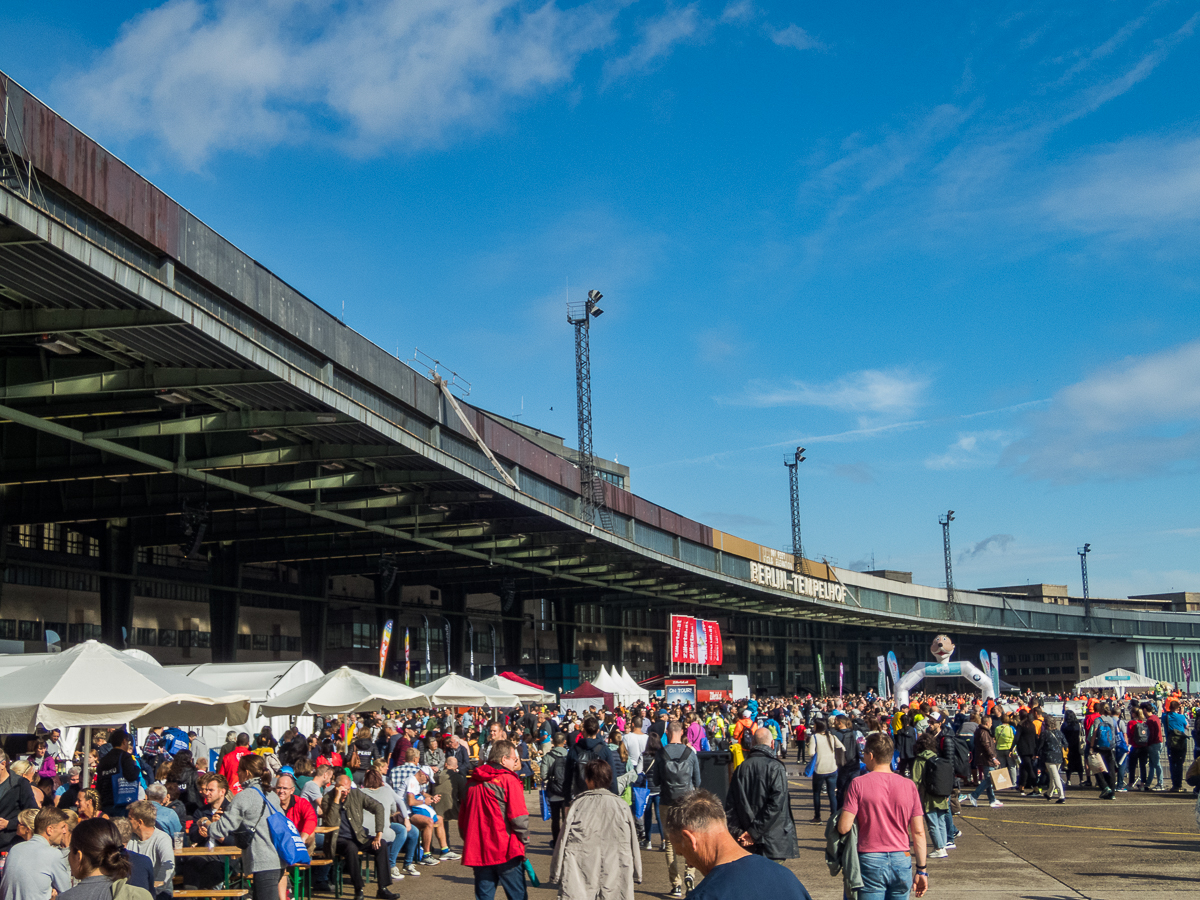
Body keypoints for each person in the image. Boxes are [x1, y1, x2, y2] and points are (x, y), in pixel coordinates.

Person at [663, 790, 812, 900]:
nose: (689, 864)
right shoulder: (786, 878)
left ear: (690, 839)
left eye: (682, 854)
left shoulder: (705, 895)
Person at [837, 733, 928, 900]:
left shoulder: (858, 784)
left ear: (871, 755)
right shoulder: (909, 785)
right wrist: (922, 869)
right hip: (902, 859)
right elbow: (919, 832)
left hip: (870, 859)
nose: (863, 757)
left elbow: (844, 827)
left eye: (864, 753)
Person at [549, 759, 641, 900]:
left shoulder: (577, 805)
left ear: (588, 780)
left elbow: (562, 840)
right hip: (616, 869)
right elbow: (633, 841)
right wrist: (637, 872)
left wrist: (555, 873)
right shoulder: (622, 806)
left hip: (580, 871)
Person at [459, 740, 529, 900]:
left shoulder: (471, 783)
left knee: (484, 896)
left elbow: (463, 821)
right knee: (517, 896)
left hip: (480, 850)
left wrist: (471, 841)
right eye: (514, 759)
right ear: (504, 759)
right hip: (506, 850)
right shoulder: (508, 780)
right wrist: (524, 842)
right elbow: (519, 818)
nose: (515, 763)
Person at [209, 755, 285, 900]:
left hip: (263, 862)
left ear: (247, 773)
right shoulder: (272, 795)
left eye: (239, 771)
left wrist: (205, 824)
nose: (237, 774)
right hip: (277, 859)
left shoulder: (244, 797)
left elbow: (220, 829)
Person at [724, 728, 797, 860]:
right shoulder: (775, 767)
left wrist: (741, 833)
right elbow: (776, 803)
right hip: (773, 839)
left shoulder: (741, 768)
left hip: (747, 840)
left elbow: (731, 806)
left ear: (752, 744)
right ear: (772, 744)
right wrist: (753, 832)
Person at [319, 774, 396, 900]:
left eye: (348, 789)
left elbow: (379, 807)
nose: (346, 792)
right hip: (338, 840)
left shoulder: (356, 794)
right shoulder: (327, 798)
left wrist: (378, 834)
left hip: (359, 836)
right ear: (336, 787)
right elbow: (331, 822)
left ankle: (383, 889)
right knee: (351, 847)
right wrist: (337, 799)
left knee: (381, 845)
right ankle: (358, 889)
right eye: (343, 790)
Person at [657, 721, 702, 899]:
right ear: (682, 732)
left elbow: (656, 781)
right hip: (687, 802)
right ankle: (689, 873)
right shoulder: (690, 753)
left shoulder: (661, 753)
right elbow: (697, 781)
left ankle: (675, 885)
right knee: (690, 840)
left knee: (669, 843)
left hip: (667, 801)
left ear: (667, 732)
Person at [0, 806, 73, 900]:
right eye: (62, 827)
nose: (64, 831)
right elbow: (67, 893)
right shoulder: (53, 854)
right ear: (49, 830)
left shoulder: (15, 849)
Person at [126, 801, 174, 900]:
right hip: (135, 892)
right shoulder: (129, 839)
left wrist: (153, 890)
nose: (127, 821)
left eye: (130, 818)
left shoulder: (162, 838)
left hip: (159, 892)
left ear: (139, 822)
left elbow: (168, 866)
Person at [564, 717, 617, 802]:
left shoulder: (574, 750)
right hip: (601, 798)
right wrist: (614, 797)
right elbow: (612, 778)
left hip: (580, 797)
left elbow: (567, 778)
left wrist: (567, 801)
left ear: (583, 730)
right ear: (597, 731)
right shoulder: (604, 750)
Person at [0, 752, 40, 852]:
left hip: (11, 845)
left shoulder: (20, 784)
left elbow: (34, 813)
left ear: (3, 764)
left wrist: (9, 824)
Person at [96, 731, 142, 818]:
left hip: (105, 802)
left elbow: (99, 782)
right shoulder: (125, 757)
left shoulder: (104, 759)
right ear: (124, 741)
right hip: (122, 802)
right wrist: (136, 768)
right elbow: (131, 776)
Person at [805, 719, 840, 824]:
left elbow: (811, 753)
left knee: (816, 793)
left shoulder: (814, 737)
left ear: (817, 726)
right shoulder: (832, 736)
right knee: (831, 794)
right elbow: (841, 747)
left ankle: (817, 817)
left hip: (820, 769)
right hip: (832, 768)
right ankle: (834, 815)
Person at [541, 733, 571, 846]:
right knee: (566, 818)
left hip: (553, 791)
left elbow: (543, 775)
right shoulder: (569, 756)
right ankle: (565, 842)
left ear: (553, 743)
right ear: (564, 742)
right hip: (567, 792)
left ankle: (556, 842)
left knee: (555, 819)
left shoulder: (548, 757)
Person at [1163, 700, 1190, 792]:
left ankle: (1174, 784)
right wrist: (1182, 714)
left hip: (1170, 742)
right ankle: (1179, 785)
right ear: (1178, 708)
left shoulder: (1165, 717)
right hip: (1181, 743)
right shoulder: (1181, 717)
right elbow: (1187, 726)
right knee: (1179, 764)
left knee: (1172, 763)